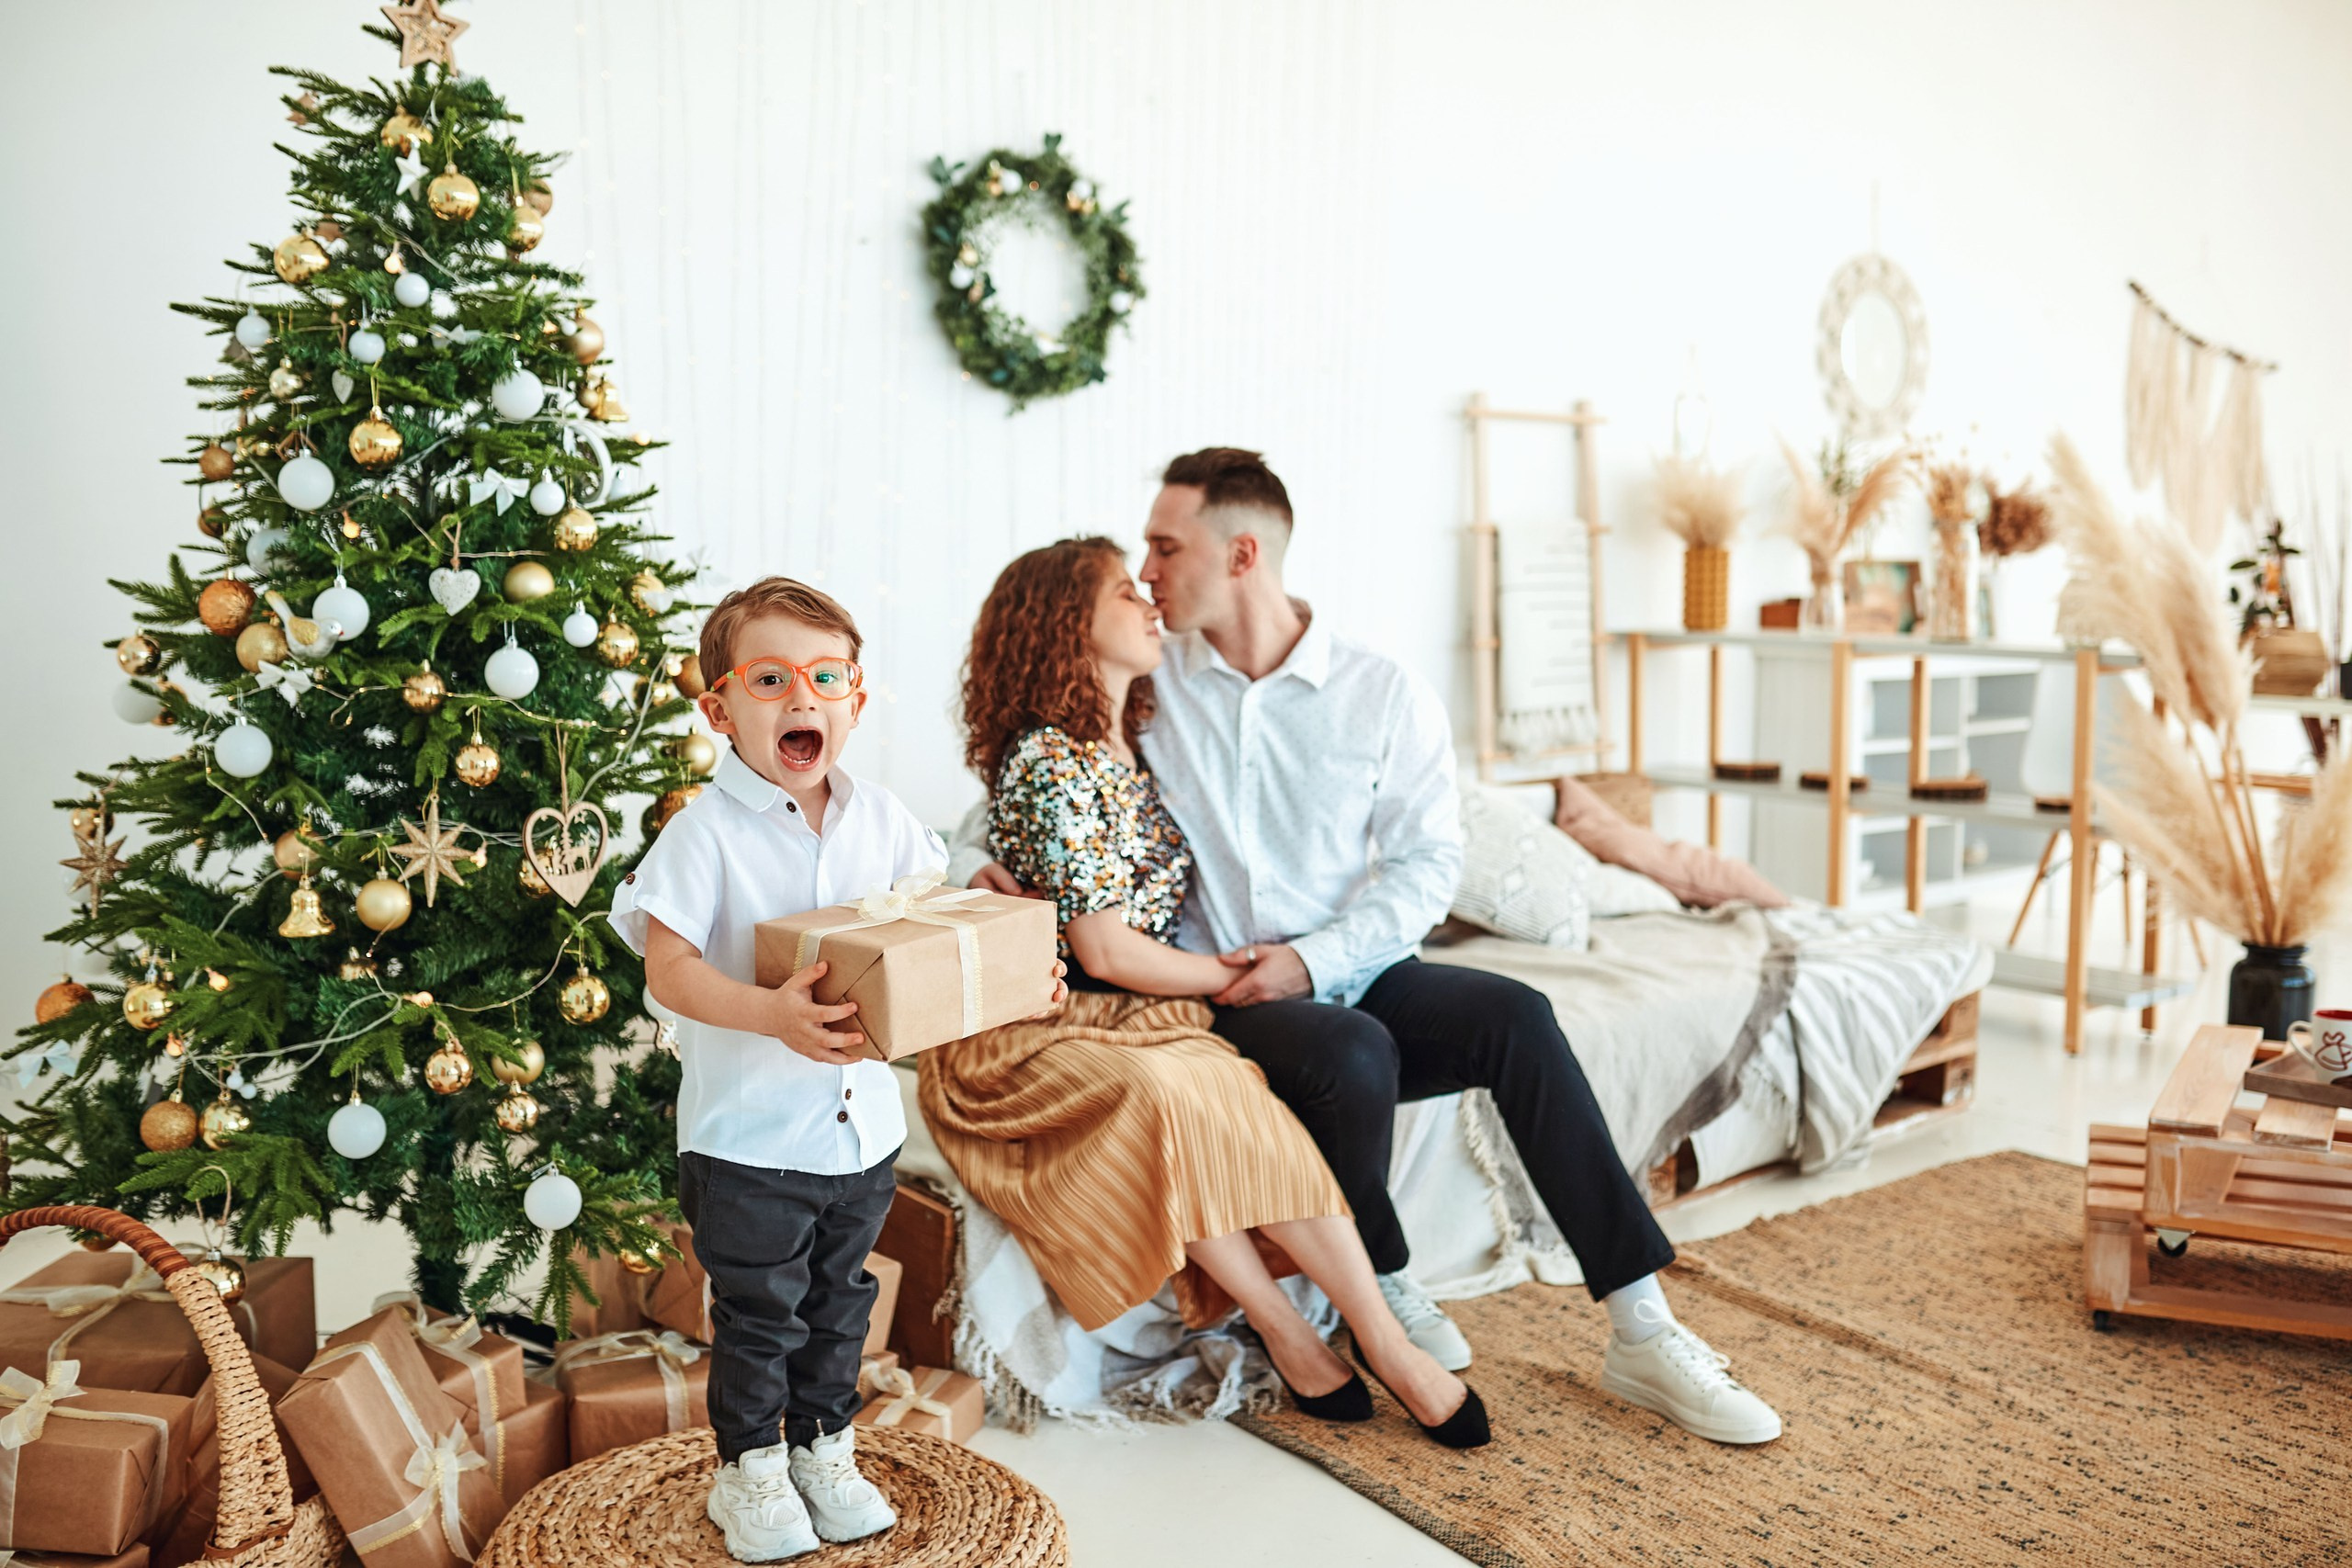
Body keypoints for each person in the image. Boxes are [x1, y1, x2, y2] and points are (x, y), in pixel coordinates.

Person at [963, 450, 1781, 1446]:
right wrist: (976, 875)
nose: (1149, 569)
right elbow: (1035, 777)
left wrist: (1314, 959)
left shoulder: (1378, 692)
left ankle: (1642, 1326)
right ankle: (1385, 1283)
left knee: (1517, 1016)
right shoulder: (1148, 679)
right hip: (1223, 999)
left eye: (1166, 546)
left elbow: (1427, 867)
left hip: (1346, 967)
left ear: (1243, 553)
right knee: (1350, 1055)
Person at [922, 536, 1487, 1450]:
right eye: (1121, 592)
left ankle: (1381, 1339)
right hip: (1039, 1026)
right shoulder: (1045, 763)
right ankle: (1285, 1329)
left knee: (1231, 1094)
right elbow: (1104, 948)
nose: (1149, 601)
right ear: (1068, 624)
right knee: (1174, 1094)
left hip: (1147, 1013)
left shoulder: (1137, 741)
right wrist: (1245, 970)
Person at [612, 577, 1067, 1562]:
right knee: (758, 1316)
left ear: (855, 701)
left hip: (859, 1131)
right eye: (770, 679)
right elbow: (670, 968)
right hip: (747, 1140)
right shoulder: (704, 835)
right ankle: (751, 1472)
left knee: (838, 1303)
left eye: (826, 678)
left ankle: (823, 1446)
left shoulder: (886, 822)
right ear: (718, 707)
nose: (801, 700)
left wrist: (1015, 976)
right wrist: (770, 1013)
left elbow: (934, 933)